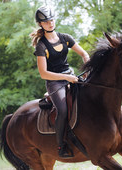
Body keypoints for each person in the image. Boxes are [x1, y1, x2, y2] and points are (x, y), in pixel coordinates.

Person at [30, 6, 90, 158]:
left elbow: (84, 54)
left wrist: (88, 65)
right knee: (62, 110)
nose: (50, 23)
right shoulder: (41, 46)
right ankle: (61, 146)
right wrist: (66, 78)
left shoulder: (65, 38)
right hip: (54, 83)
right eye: (46, 22)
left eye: (51, 20)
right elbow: (43, 74)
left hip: (70, 76)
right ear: (40, 24)